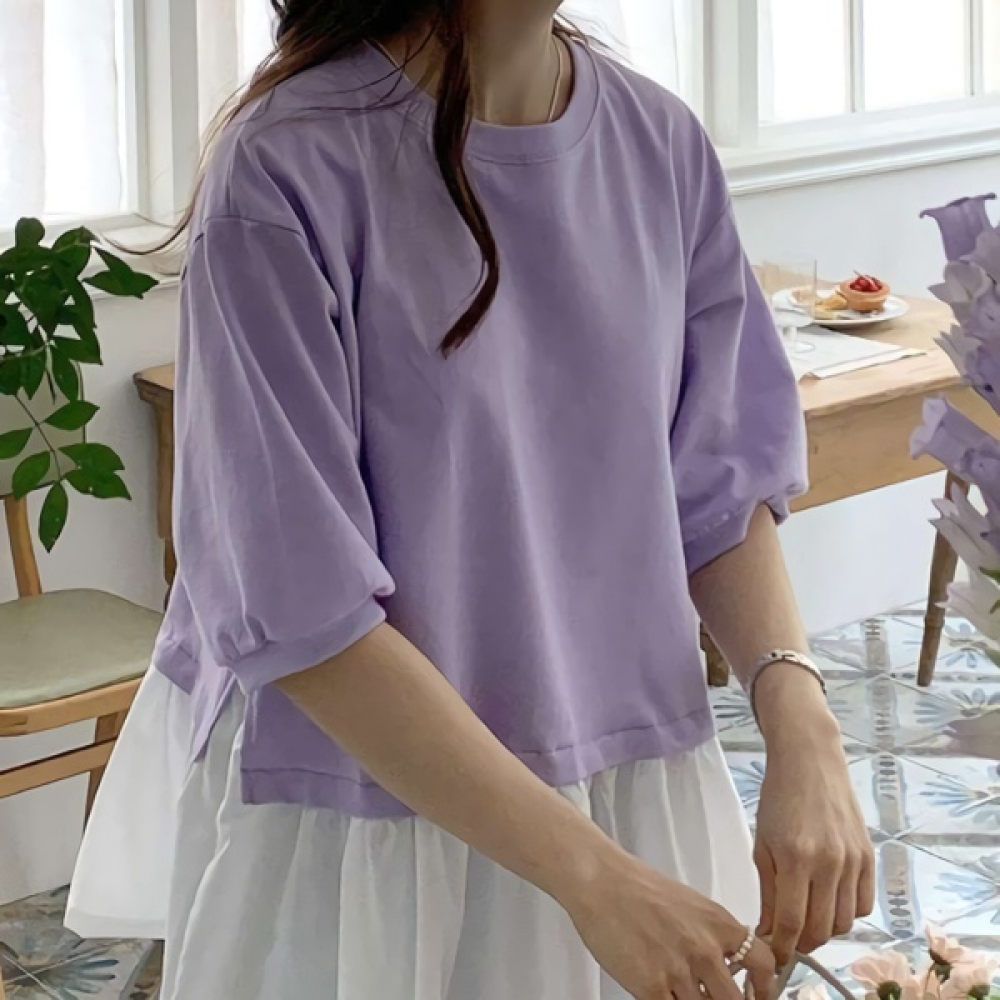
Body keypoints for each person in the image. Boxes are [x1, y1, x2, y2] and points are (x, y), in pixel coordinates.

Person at [66, 2, 874, 998]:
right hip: (373, 818)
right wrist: (591, 878)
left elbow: (716, 486)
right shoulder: (284, 167)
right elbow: (298, 609)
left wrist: (803, 724)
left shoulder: (661, 143)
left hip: (626, 785)